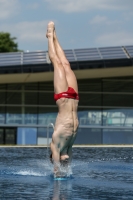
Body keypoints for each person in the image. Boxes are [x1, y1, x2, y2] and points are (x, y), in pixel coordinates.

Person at [46, 22, 79, 177]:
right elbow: (69, 160)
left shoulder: (56, 142)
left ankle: (50, 36)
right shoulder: (69, 145)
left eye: (59, 159)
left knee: (57, 64)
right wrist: (67, 169)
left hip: (63, 97)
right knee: (66, 63)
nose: (64, 160)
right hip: (74, 98)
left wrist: (57, 169)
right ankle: (56, 36)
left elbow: (57, 162)